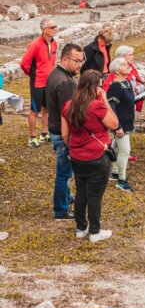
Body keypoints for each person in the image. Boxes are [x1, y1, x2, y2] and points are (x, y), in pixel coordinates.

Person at [61, 70, 118, 243]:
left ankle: (81, 228)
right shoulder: (96, 106)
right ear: (94, 87)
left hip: (77, 156)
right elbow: (114, 124)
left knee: (81, 193)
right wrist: (105, 100)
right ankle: (95, 232)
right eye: (100, 86)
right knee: (94, 196)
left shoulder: (68, 105)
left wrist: (75, 147)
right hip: (97, 156)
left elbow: (65, 135)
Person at [46, 43, 84, 220]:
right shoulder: (65, 82)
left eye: (81, 61)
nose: (80, 65)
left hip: (56, 130)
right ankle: (60, 210)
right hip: (62, 134)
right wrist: (69, 138)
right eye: (77, 61)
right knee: (64, 174)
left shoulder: (56, 74)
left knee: (65, 172)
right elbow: (68, 115)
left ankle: (66, 198)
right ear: (65, 59)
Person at [103, 45, 144, 162]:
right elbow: (111, 103)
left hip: (126, 114)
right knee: (122, 148)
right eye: (129, 55)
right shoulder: (115, 81)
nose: (132, 57)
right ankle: (120, 176)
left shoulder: (127, 78)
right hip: (119, 118)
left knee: (120, 147)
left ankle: (116, 168)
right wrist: (117, 126)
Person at [20, 18, 58, 147]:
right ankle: (32, 138)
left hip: (49, 83)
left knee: (46, 110)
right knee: (34, 111)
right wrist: (32, 74)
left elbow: (52, 62)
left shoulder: (54, 43)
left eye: (55, 27)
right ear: (44, 29)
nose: (55, 29)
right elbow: (24, 63)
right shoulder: (35, 44)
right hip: (37, 83)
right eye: (52, 27)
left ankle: (44, 133)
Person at [107, 58, 136, 191]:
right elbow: (111, 107)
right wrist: (117, 126)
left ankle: (115, 172)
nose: (127, 66)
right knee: (125, 151)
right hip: (120, 124)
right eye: (123, 64)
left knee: (120, 149)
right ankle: (121, 180)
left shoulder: (127, 82)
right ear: (116, 70)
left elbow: (128, 101)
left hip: (128, 121)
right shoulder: (116, 86)